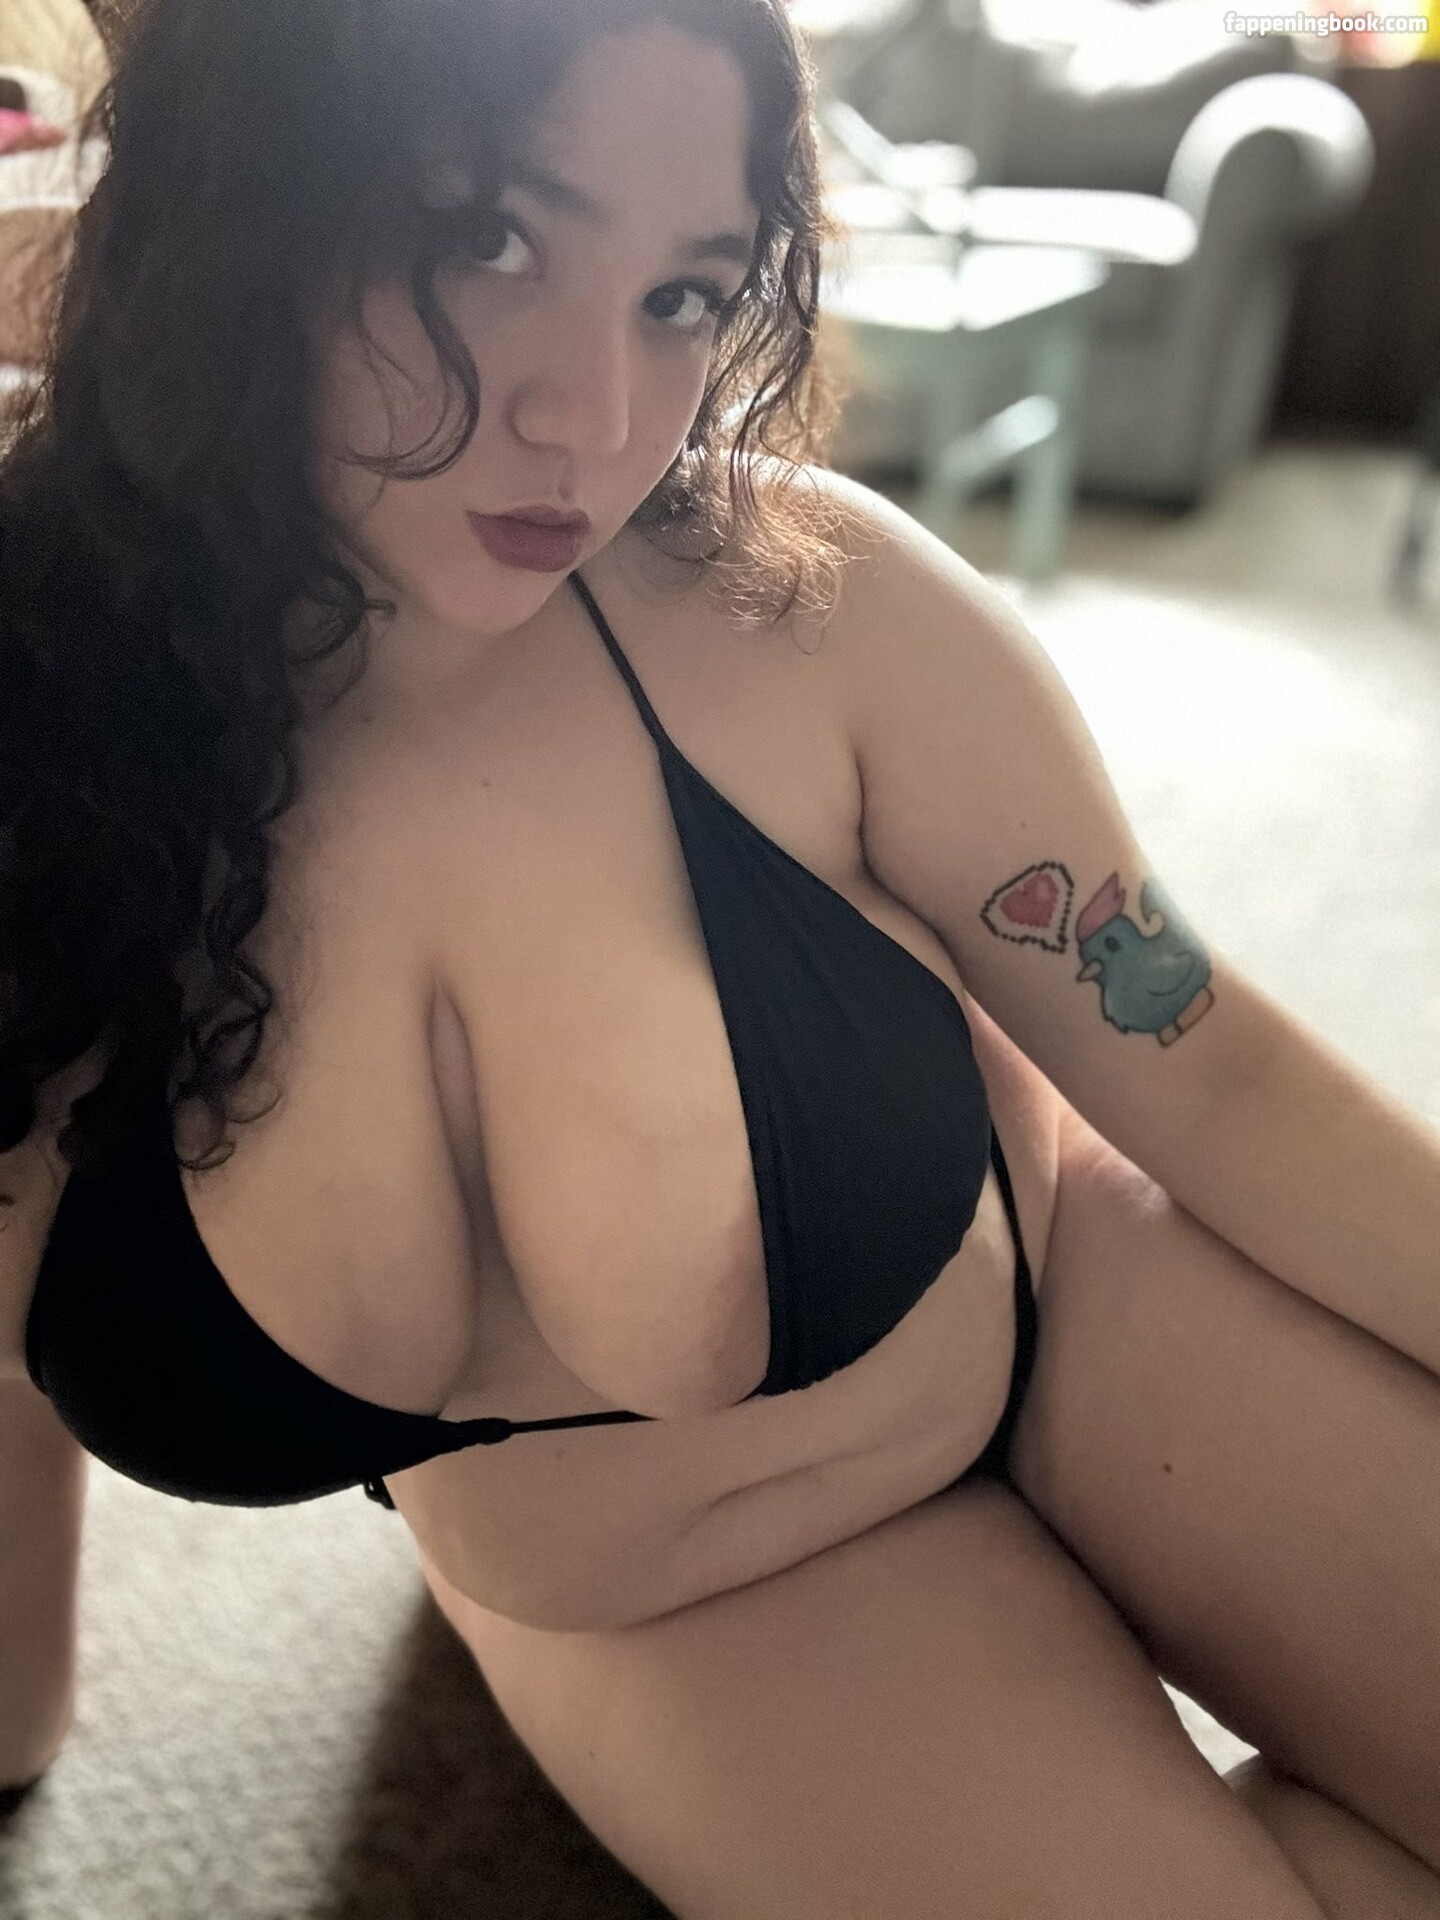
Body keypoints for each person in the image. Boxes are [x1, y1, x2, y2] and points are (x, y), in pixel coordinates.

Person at [3, 2, 1440, 1912]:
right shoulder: (45, 742)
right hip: (684, 1597)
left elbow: (1216, 1073)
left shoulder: (802, 607)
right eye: (487, 238)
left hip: (1067, 1314)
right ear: (240, 200)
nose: (601, 420)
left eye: (684, 294)